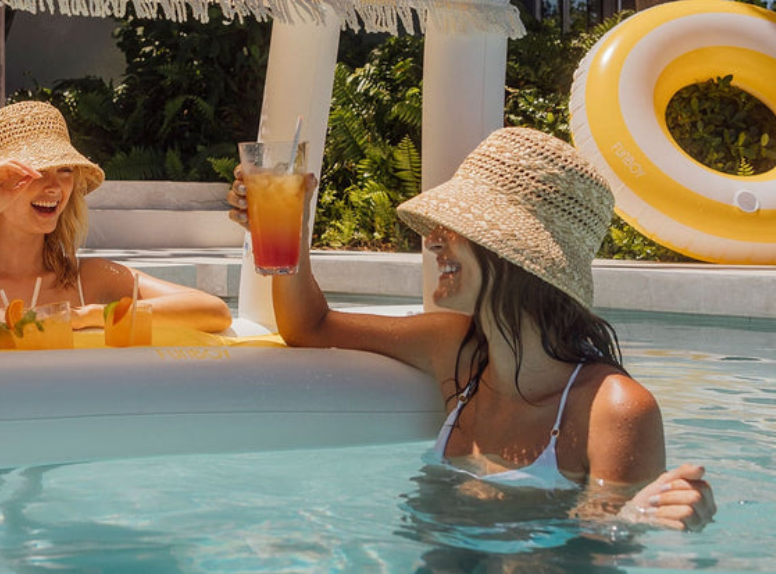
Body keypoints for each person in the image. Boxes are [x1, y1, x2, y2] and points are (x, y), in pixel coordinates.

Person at [230, 125, 715, 531]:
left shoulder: (613, 409)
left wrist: (633, 517)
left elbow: (593, 567)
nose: (433, 240)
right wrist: (285, 227)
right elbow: (309, 327)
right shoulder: (456, 351)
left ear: (509, 250)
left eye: (456, 226)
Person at [0, 100, 233, 338]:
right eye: (37, 172)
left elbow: (212, 311)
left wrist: (91, 316)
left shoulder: (91, 279)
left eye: (65, 170)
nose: (55, 185)